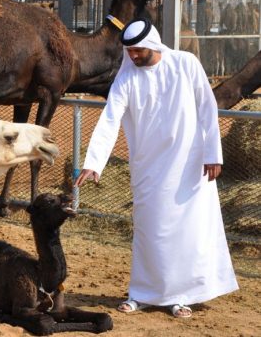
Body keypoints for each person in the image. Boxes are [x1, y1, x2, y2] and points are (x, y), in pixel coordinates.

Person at [74, 17, 239, 318]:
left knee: (185, 232)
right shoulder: (126, 79)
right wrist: (94, 162)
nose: (133, 56)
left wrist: (213, 153)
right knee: (150, 231)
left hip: (189, 165)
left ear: (152, 44)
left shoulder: (185, 64)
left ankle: (180, 296)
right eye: (130, 52)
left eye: (138, 50)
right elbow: (110, 119)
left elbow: (207, 106)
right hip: (148, 167)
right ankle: (142, 293)